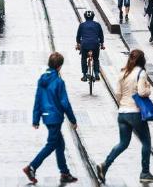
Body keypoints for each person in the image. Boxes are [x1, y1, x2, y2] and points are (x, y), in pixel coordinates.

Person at [96, 49, 153, 183]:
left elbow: (118, 93)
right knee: (146, 142)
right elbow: (142, 92)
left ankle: (105, 165)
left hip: (122, 113)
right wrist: (148, 89)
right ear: (142, 60)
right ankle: (145, 173)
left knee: (123, 143)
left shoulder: (123, 72)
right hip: (135, 113)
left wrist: (122, 105)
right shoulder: (141, 73)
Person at [23, 52, 78, 185]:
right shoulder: (59, 82)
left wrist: (36, 119)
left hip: (46, 117)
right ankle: (31, 167)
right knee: (51, 144)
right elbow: (65, 103)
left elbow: (38, 99)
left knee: (60, 144)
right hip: (55, 117)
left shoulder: (42, 79)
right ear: (59, 66)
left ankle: (64, 173)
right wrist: (73, 120)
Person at [76, 10, 105, 81]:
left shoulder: (82, 25)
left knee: (83, 58)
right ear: (93, 17)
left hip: (85, 44)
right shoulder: (97, 25)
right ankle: (97, 74)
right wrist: (102, 44)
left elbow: (78, 36)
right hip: (95, 44)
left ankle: (84, 75)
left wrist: (78, 44)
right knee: (96, 59)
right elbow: (101, 35)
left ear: (85, 17)